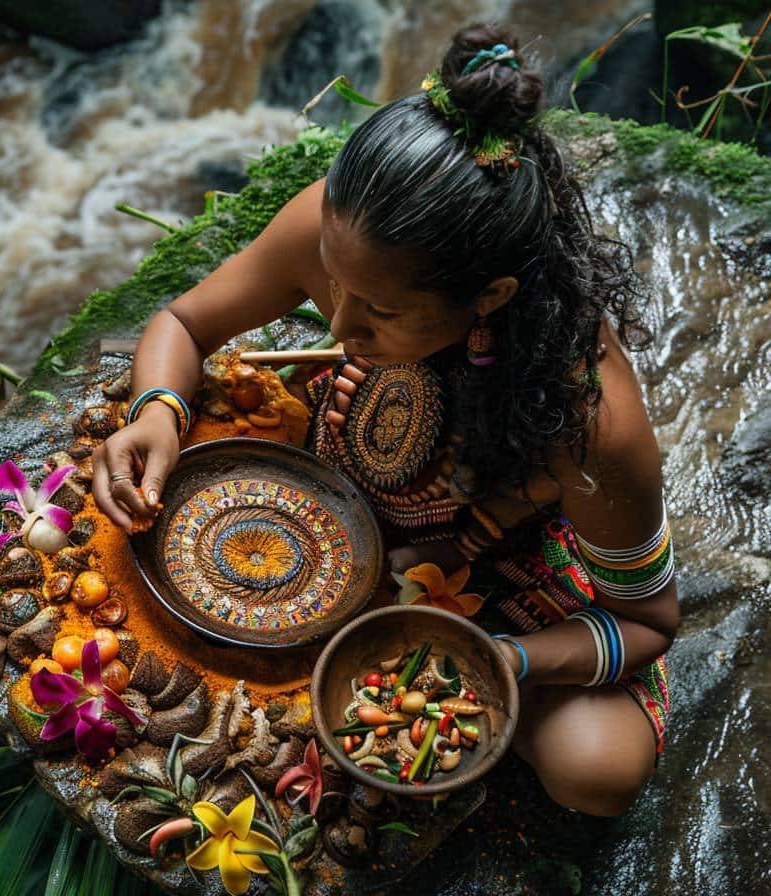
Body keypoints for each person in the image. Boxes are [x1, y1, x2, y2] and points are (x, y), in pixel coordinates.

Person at [92, 24, 675, 817]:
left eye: (379, 311)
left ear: (490, 297)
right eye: (334, 282)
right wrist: (156, 411)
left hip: (495, 556)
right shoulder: (346, 234)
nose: (337, 326)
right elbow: (186, 326)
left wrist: (500, 657)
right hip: (335, 477)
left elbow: (646, 621)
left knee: (597, 771)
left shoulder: (591, 422)